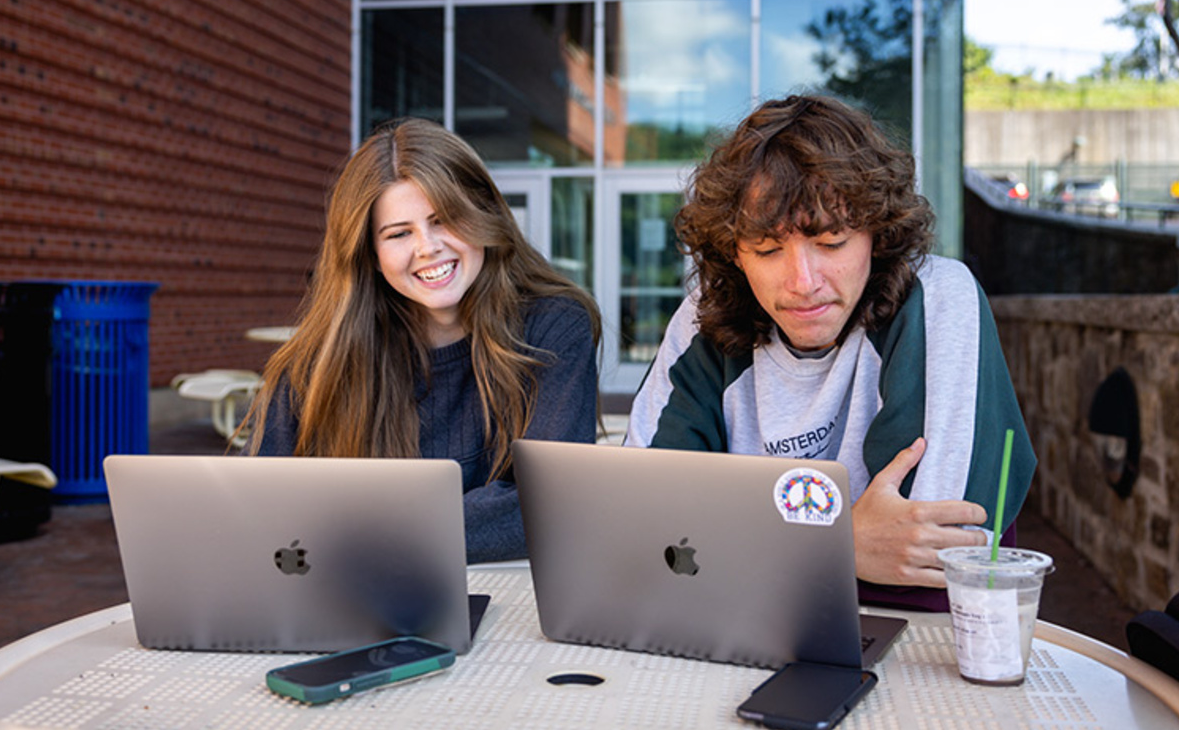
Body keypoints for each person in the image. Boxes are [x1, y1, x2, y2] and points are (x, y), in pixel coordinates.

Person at [624, 94, 1035, 608]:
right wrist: (841, 541)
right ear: (735, 253)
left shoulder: (939, 295)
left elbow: (926, 556)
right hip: (735, 632)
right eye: (768, 251)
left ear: (876, 235)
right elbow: (642, 524)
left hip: (921, 651)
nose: (802, 282)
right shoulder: (701, 318)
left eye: (832, 243)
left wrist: (733, 542)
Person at [244, 118, 601, 563]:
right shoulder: (318, 360)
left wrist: (360, 531)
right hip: (355, 600)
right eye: (399, 233)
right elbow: (255, 505)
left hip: (513, 601)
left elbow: (551, 501)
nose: (428, 247)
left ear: (483, 216)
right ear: (370, 255)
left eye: (444, 220)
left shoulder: (553, 326)